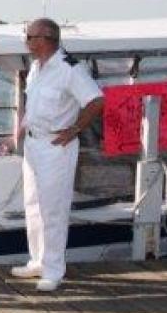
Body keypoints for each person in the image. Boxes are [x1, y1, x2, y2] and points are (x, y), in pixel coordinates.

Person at [12, 17, 104, 292]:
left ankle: (53, 270)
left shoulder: (69, 70)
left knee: (53, 209)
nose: (26, 42)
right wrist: (19, 132)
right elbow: (34, 105)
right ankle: (37, 261)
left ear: (45, 39)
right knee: (32, 204)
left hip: (56, 147)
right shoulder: (36, 68)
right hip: (33, 143)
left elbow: (96, 100)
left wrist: (75, 129)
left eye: (29, 37)